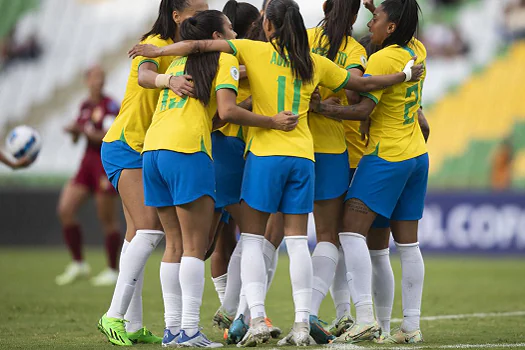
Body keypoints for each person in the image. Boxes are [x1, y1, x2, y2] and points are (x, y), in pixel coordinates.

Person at [128, 0, 422, 345]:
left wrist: (156, 50)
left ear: (268, 27)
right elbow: (364, 86)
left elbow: (199, 45)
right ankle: (303, 321)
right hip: (307, 155)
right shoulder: (315, 61)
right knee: (301, 240)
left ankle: (252, 318)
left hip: (264, 155)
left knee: (254, 239)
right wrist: (404, 76)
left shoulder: (255, 52)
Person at [143, 9, 297, 347]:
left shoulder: (177, 65)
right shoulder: (223, 60)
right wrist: (270, 119)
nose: (233, 35)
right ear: (216, 37)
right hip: (187, 151)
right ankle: (190, 331)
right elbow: (226, 112)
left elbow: (210, 116)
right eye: (229, 29)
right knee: (194, 247)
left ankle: (172, 331)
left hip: (153, 149)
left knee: (173, 245)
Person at [311, 0, 428, 344]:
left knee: (348, 233)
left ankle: (364, 318)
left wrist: (321, 107)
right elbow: (398, 26)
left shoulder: (379, 59)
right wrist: (382, 7)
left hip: (385, 156)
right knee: (403, 247)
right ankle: (408, 327)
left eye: (374, 18)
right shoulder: (417, 49)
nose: (369, 24)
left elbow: (363, 107)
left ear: (391, 28)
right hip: (416, 156)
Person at [97, 0, 207, 346]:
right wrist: (168, 79)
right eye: (196, 12)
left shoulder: (185, 51)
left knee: (136, 235)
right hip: (126, 144)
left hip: (144, 147)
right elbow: (144, 76)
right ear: (176, 16)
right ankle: (112, 315)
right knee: (148, 227)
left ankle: (132, 324)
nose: (201, 18)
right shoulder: (156, 42)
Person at [305, 0, 367, 344]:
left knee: (274, 235)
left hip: (291, 143)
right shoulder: (355, 49)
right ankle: (312, 313)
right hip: (332, 147)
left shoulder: (304, 38)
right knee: (333, 236)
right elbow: (355, 89)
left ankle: (250, 315)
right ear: (356, 15)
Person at [55, 66, 122, 287]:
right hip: (86, 164)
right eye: (94, 78)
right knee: (65, 209)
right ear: (87, 81)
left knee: (107, 219)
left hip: (104, 164)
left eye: (101, 78)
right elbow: (78, 139)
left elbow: (107, 135)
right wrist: (75, 132)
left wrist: (82, 131)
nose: (98, 82)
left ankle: (113, 269)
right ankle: (78, 263)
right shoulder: (84, 105)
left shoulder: (110, 105)